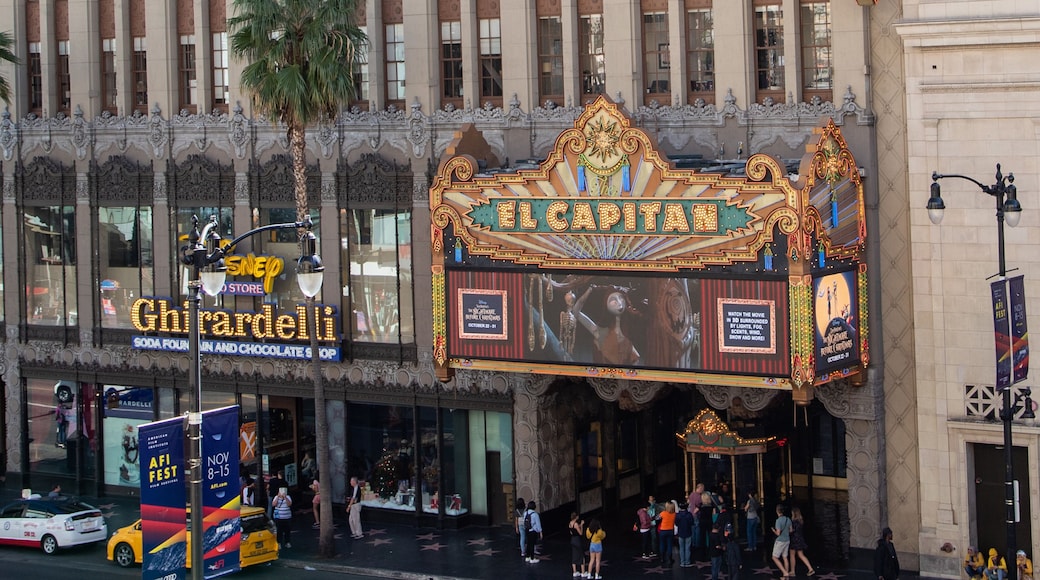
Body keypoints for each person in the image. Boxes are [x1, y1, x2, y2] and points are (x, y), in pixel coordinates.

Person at [789, 506, 816, 576]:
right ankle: (810, 569)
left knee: (792, 555)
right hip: (800, 539)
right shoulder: (800, 521)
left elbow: (791, 531)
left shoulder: (793, 522)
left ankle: (792, 571)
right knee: (801, 555)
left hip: (794, 539)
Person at [772, 504, 792, 578]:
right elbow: (791, 530)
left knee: (774, 557)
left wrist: (774, 530)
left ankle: (784, 572)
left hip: (780, 541)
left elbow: (778, 533)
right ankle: (786, 574)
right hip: (787, 540)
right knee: (785, 557)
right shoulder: (788, 519)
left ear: (777, 511)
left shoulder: (778, 521)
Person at [675, 500, 695, 567]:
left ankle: (682, 562)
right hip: (688, 532)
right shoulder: (689, 515)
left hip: (680, 533)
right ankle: (687, 562)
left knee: (681, 548)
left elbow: (676, 523)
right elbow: (692, 523)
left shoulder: (677, 515)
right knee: (687, 548)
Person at [568, 512, 588, 578]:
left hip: (572, 540)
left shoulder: (570, 523)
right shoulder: (576, 524)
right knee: (581, 555)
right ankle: (583, 572)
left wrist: (578, 526)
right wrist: (581, 525)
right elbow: (580, 533)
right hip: (577, 540)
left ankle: (574, 571)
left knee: (574, 555)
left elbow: (571, 532)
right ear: (576, 517)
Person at [658, 500, 677, 567]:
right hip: (670, 531)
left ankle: (662, 558)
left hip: (663, 531)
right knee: (669, 545)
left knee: (662, 544)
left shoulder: (663, 513)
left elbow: (657, 518)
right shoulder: (674, 514)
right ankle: (670, 558)